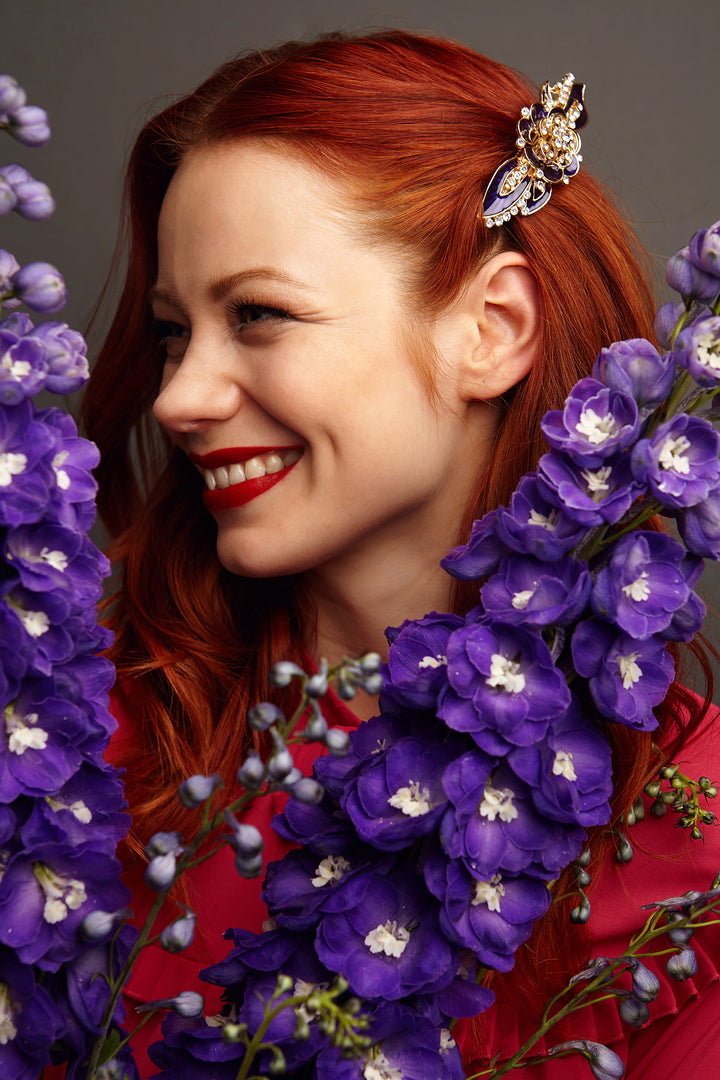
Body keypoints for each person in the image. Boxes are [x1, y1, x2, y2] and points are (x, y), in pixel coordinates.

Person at [79, 30, 720, 1078]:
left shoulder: (691, 839)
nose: (179, 399)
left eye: (257, 315)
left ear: (490, 331)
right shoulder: (85, 739)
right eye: (172, 332)